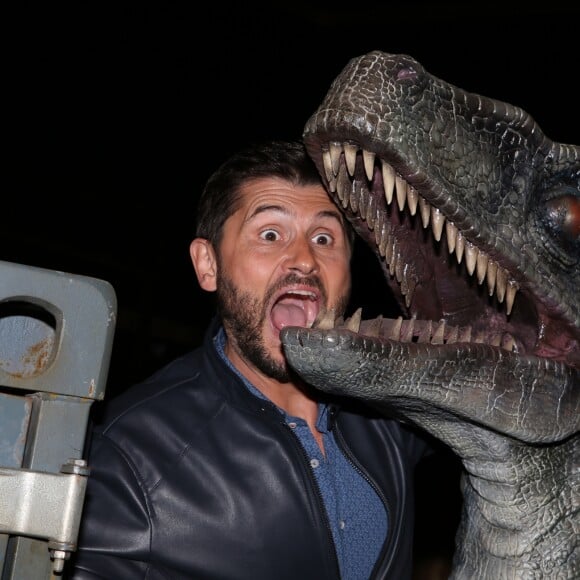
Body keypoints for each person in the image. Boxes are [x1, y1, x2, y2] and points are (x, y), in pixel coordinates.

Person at [69, 140, 431, 580]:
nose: (303, 259)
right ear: (209, 265)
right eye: (270, 235)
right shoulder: (132, 452)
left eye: (324, 238)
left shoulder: (393, 418)